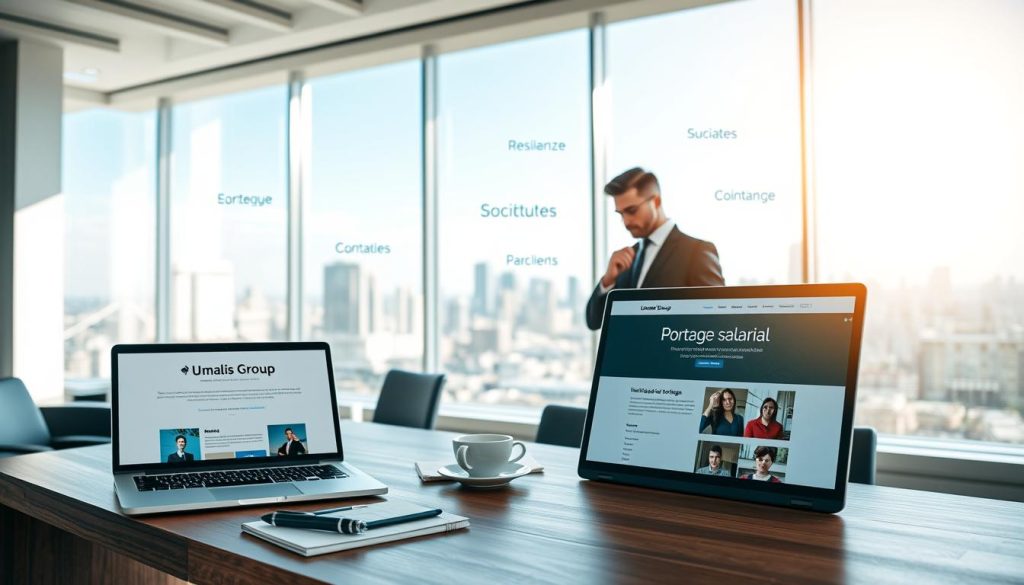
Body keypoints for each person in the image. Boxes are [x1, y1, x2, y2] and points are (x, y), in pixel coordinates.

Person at [585, 167, 725, 330]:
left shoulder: (696, 252)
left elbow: (717, 320)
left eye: (631, 210)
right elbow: (594, 322)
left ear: (656, 202)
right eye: (621, 214)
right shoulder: (627, 259)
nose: (626, 221)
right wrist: (607, 281)